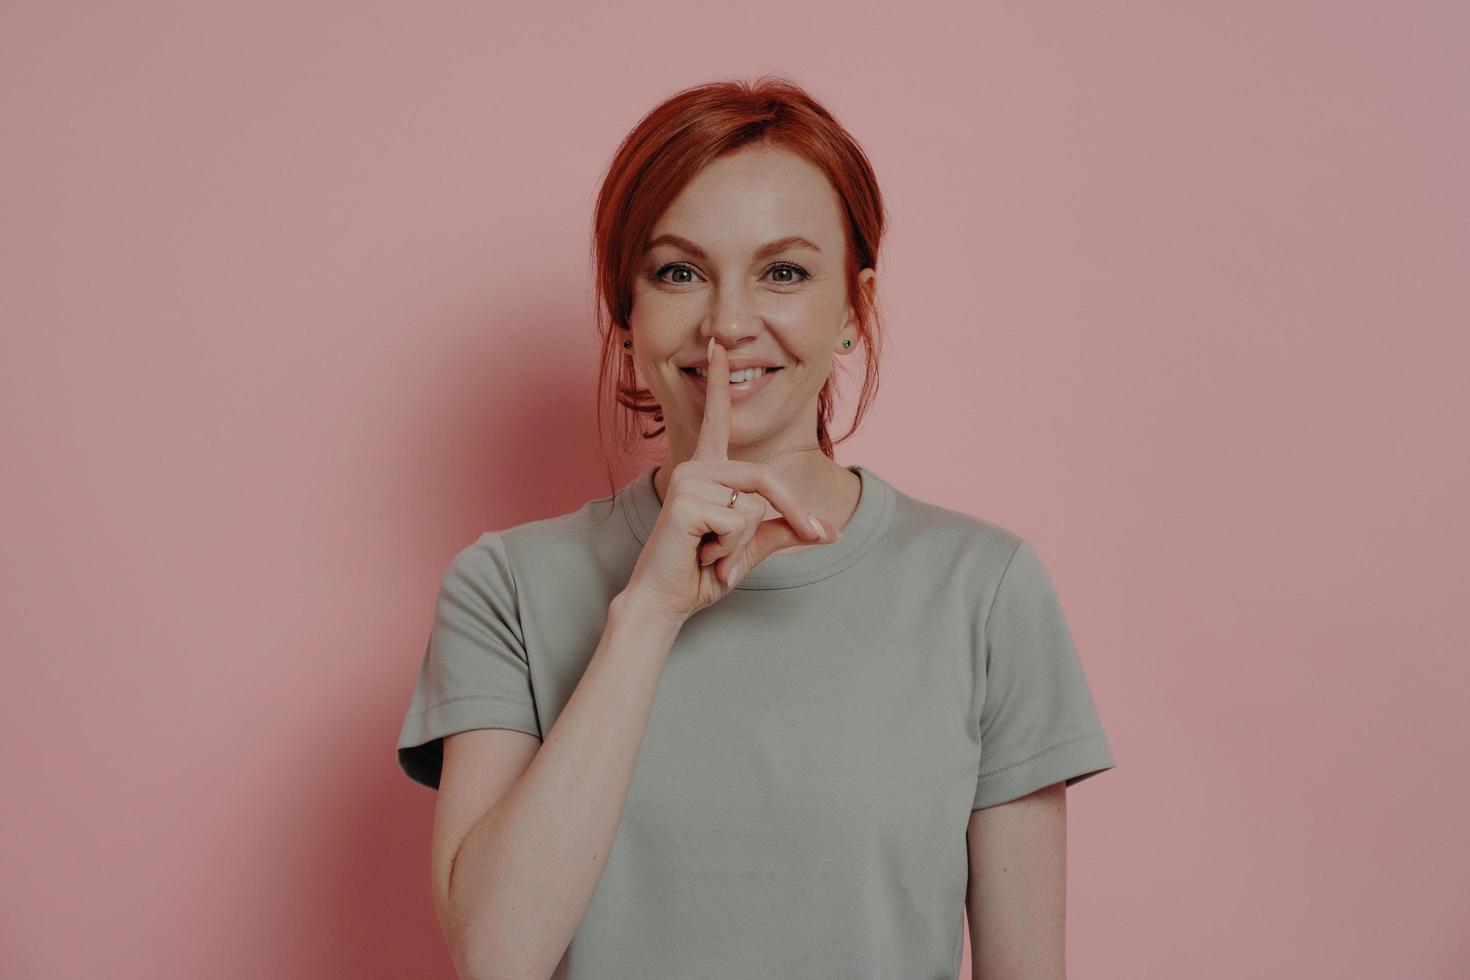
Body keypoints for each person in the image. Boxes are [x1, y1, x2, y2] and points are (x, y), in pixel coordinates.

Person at [396, 75, 1116, 980]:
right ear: (626, 313)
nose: (728, 324)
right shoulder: (504, 586)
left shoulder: (985, 588)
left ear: (854, 310)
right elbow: (497, 958)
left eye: (784, 271)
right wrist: (648, 614)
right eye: (678, 272)